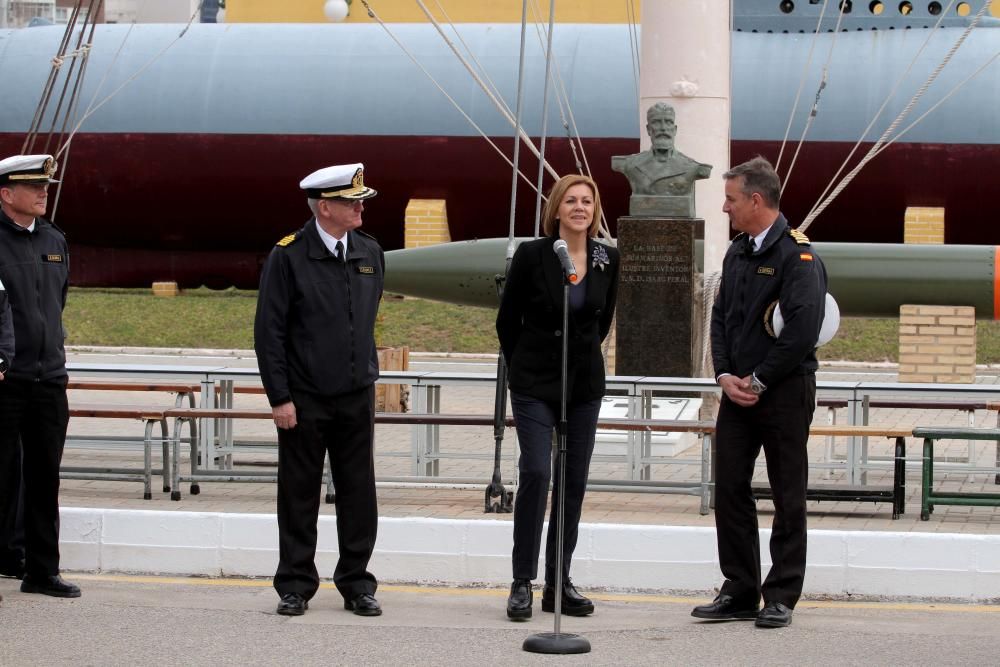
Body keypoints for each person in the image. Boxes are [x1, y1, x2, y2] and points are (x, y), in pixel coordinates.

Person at [693, 156, 827, 629]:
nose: (725, 208)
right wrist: (724, 376)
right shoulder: (737, 252)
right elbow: (720, 317)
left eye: (730, 199)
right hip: (738, 393)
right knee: (729, 487)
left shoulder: (798, 255)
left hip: (784, 393)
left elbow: (802, 330)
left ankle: (782, 594)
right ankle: (740, 589)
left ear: (755, 199)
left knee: (788, 493)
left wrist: (762, 379)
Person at [254, 163, 385, 617]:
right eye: (352, 202)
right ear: (325, 207)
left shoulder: (369, 251)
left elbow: (366, 322)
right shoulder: (288, 255)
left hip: (355, 395)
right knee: (298, 493)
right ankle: (294, 584)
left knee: (358, 492)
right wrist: (280, 397)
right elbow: (269, 333)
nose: (360, 206)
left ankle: (356, 583)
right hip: (304, 399)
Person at [496, 174, 620, 620]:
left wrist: (579, 355)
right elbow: (507, 322)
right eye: (571, 200)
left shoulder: (608, 257)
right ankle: (521, 581)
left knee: (573, 481)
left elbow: (601, 322)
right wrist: (526, 365)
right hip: (533, 384)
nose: (580, 208)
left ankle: (558, 582)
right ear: (556, 208)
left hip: (583, 385)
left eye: (588, 201)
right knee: (536, 472)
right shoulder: (533, 255)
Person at [0, 154, 80, 599]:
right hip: (5, 378)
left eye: (45, 185)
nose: (43, 191)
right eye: (33, 186)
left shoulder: (54, 239)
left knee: (45, 476)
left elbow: (57, 303)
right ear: (7, 194)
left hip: (48, 377)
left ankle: (42, 571)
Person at [611, 102, 712, 215]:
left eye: (668, 122)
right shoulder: (630, 164)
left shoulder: (693, 167)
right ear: (649, 129)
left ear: (674, 130)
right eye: (657, 122)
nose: (663, 128)